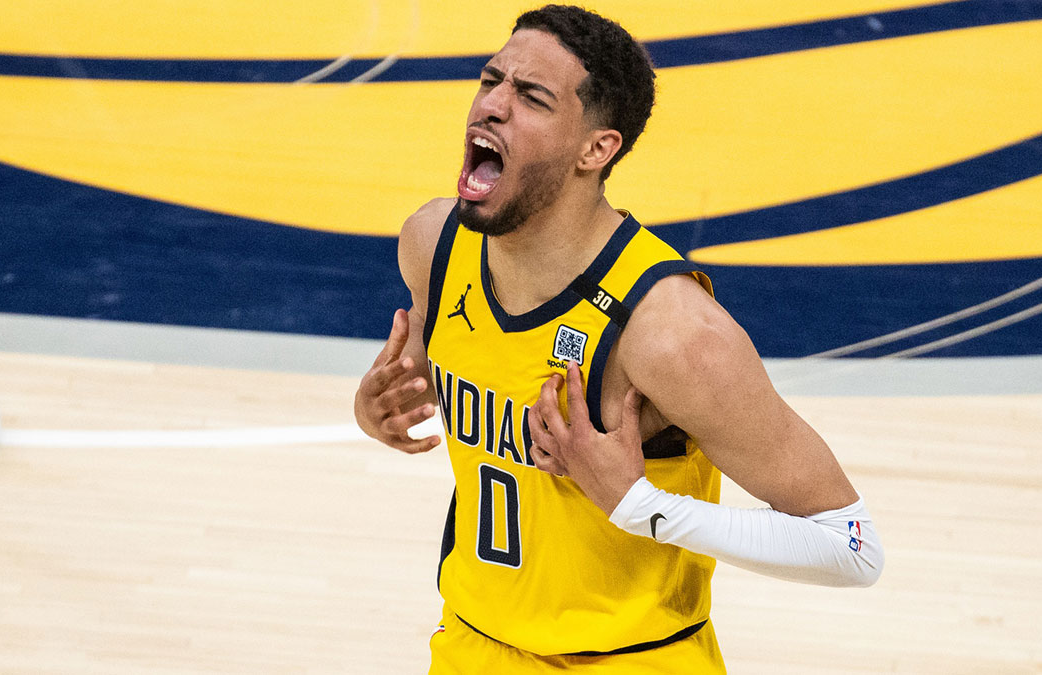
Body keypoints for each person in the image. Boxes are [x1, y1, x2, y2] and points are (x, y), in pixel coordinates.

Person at [355, 5, 883, 672]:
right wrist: (376, 412)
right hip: (473, 645)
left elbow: (854, 547)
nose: (492, 105)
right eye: (491, 79)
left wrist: (645, 508)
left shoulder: (673, 334)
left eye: (531, 97)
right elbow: (468, 373)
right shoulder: (434, 244)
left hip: (633, 659)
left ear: (596, 148)